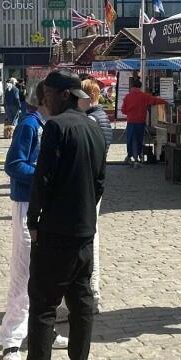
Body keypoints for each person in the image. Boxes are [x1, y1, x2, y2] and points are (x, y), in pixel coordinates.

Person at [12, 70, 105, 360]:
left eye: (48, 93)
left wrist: (34, 222)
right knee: (81, 306)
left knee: (43, 307)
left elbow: (44, 180)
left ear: (64, 94)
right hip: (83, 234)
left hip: (55, 235)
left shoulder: (55, 127)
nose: (43, 99)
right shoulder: (94, 128)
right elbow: (99, 182)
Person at [0, 82, 68, 360]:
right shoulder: (30, 125)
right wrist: (46, 174)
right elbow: (14, 164)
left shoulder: (50, 126)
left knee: (47, 272)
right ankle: (12, 339)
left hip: (46, 205)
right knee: (24, 271)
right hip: (27, 202)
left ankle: (44, 329)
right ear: (44, 99)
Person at [79, 77, 112, 312]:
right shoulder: (102, 118)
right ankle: (92, 293)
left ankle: (92, 293)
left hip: (89, 184)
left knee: (90, 239)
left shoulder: (91, 119)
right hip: (95, 181)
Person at [120, 79, 166, 165]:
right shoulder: (144, 96)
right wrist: (166, 102)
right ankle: (138, 156)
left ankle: (129, 156)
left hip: (130, 121)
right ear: (140, 87)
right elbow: (155, 100)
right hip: (140, 121)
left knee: (129, 139)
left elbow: (123, 111)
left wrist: (130, 112)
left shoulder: (127, 96)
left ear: (132, 87)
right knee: (139, 139)